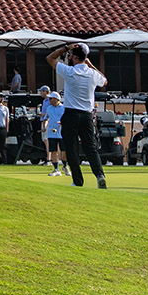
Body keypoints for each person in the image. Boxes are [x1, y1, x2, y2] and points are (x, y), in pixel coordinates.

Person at [53, 42, 108, 189]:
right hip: (87, 116)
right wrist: (90, 64)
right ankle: (100, 175)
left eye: (71, 56)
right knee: (91, 147)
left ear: (76, 58)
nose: (69, 57)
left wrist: (66, 48)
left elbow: (50, 58)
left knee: (72, 149)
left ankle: (78, 181)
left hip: (71, 114)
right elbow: (104, 80)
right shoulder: (92, 74)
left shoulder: (69, 71)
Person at [43, 90, 66, 176]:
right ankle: (56, 169)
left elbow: (68, 119)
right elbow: (46, 118)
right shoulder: (49, 108)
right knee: (53, 151)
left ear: (56, 99)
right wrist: (44, 127)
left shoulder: (64, 108)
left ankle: (65, 166)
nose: (49, 100)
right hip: (51, 133)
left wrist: (63, 123)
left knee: (64, 151)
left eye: (51, 98)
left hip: (62, 133)